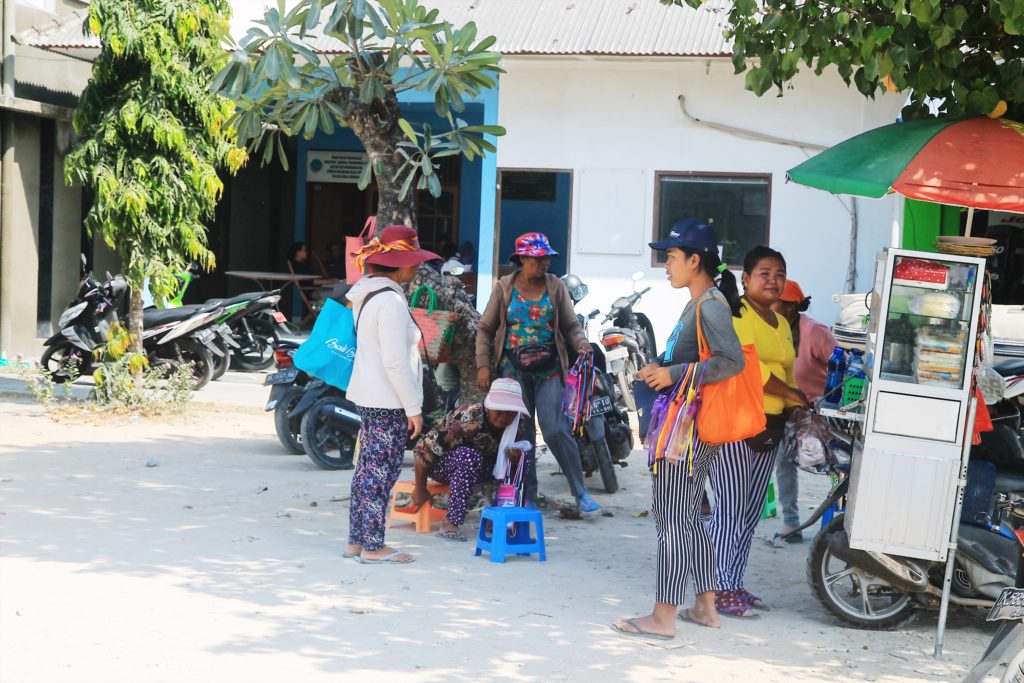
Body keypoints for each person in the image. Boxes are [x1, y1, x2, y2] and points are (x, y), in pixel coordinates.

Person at [612, 219, 744, 640]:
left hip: (684, 432)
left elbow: (732, 361)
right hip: (689, 429)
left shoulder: (710, 304)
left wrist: (674, 373)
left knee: (671, 521)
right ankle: (705, 606)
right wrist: (663, 370)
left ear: (694, 259)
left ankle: (662, 617)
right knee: (686, 518)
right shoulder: (701, 302)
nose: (665, 265)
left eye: (670, 257)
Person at [708, 246, 809, 616]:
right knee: (729, 509)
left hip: (771, 427)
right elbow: (749, 370)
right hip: (737, 423)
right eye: (764, 273)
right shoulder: (738, 314)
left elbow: (788, 371)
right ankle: (717, 589)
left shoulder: (780, 323)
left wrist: (798, 408)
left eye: (779, 274)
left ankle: (733, 583)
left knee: (750, 512)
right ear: (746, 278)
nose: (773, 280)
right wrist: (791, 394)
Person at [475, 232, 600, 513]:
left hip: (550, 370)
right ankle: (527, 494)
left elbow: (570, 326)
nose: (544, 263)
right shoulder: (504, 288)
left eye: (547, 258)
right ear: (522, 258)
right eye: (538, 258)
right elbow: (485, 329)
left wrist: (581, 344)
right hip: (512, 372)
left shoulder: (556, 287)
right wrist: (483, 365)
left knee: (556, 429)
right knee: (523, 433)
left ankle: (580, 492)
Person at [343, 226, 441, 565]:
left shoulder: (367, 294)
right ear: (398, 265)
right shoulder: (390, 301)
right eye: (411, 261)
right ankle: (373, 546)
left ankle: (357, 541)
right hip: (388, 399)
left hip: (369, 395)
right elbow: (397, 362)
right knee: (379, 473)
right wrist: (414, 408)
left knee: (366, 470)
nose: (415, 268)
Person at [412, 378, 532, 541]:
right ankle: (450, 522)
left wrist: (516, 457)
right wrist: (420, 488)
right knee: (469, 457)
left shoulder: (518, 423)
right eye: (500, 410)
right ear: (489, 406)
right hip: (443, 464)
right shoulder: (468, 418)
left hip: (483, 464)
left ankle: (501, 518)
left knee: (523, 459)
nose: (505, 416)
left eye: (510, 411)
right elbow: (422, 451)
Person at [769, 279, 838, 546]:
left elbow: (840, 365)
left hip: (815, 412)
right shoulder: (769, 329)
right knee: (783, 466)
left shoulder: (814, 331)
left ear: (788, 306)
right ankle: (791, 524)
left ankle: (837, 522)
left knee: (832, 465)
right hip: (782, 409)